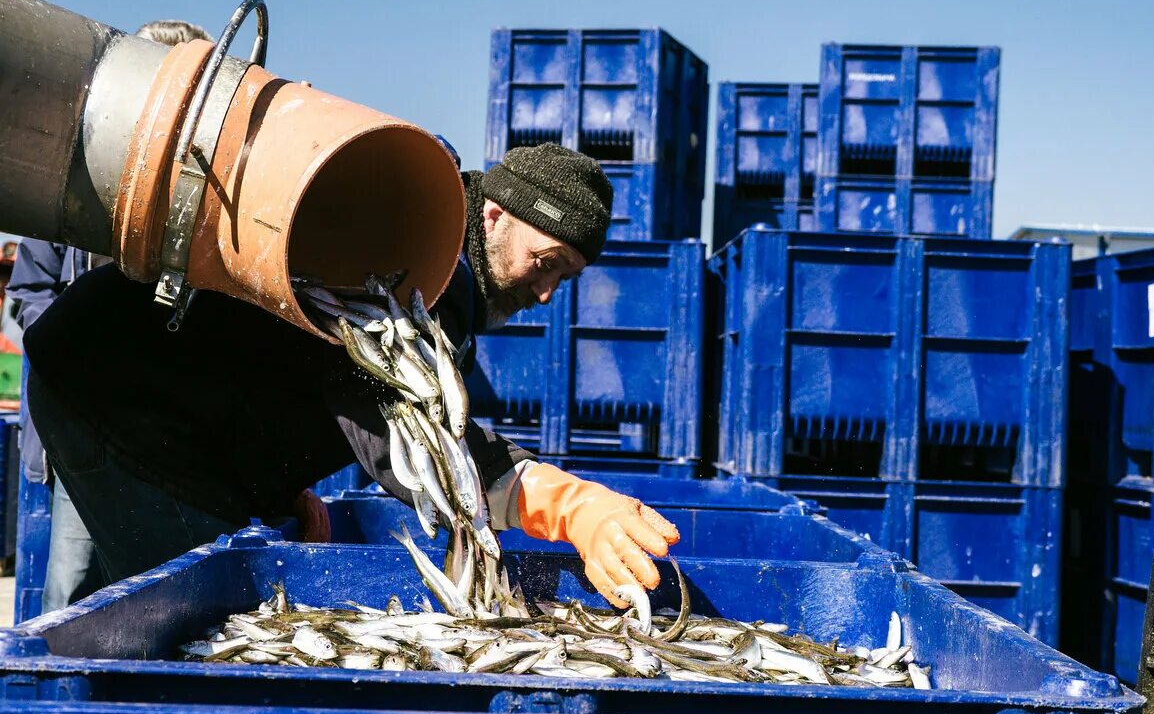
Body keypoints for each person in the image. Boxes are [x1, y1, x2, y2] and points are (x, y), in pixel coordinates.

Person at [24, 142, 679, 608]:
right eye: (546, 261)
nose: (545, 293)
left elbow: (299, 366)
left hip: (167, 409)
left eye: (565, 277)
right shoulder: (418, 262)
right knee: (196, 616)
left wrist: (283, 491)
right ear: (495, 216)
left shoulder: (441, 282)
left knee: (183, 594)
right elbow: (403, 433)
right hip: (119, 395)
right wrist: (564, 505)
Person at [7, 18, 219, 614]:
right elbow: (30, 291)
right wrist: (82, 352)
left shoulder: (205, 196)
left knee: (169, 595)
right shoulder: (71, 183)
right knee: (71, 589)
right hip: (86, 428)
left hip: (175, 437)